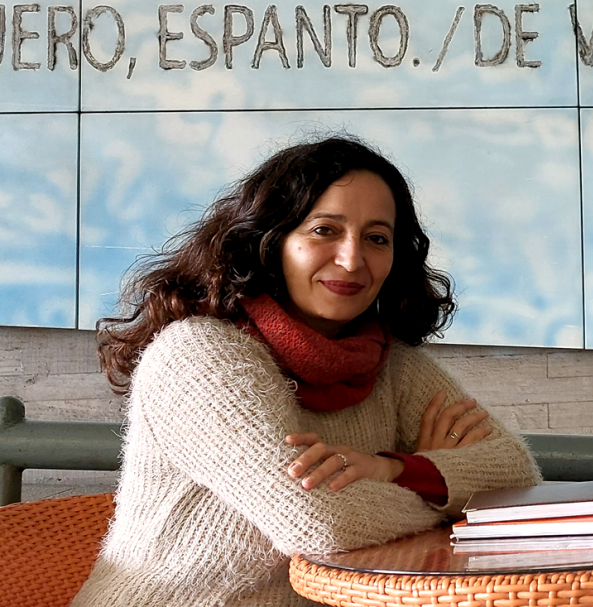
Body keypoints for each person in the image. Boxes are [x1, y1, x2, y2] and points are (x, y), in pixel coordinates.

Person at [72, 137, 541, 607]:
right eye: (324, 231)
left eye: (377, 238)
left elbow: (516, 475)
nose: (352, 259)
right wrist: (438, 486)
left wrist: (392, 467)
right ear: (270, 240)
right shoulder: (199, 356)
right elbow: (316, 520)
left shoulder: (391, 362)